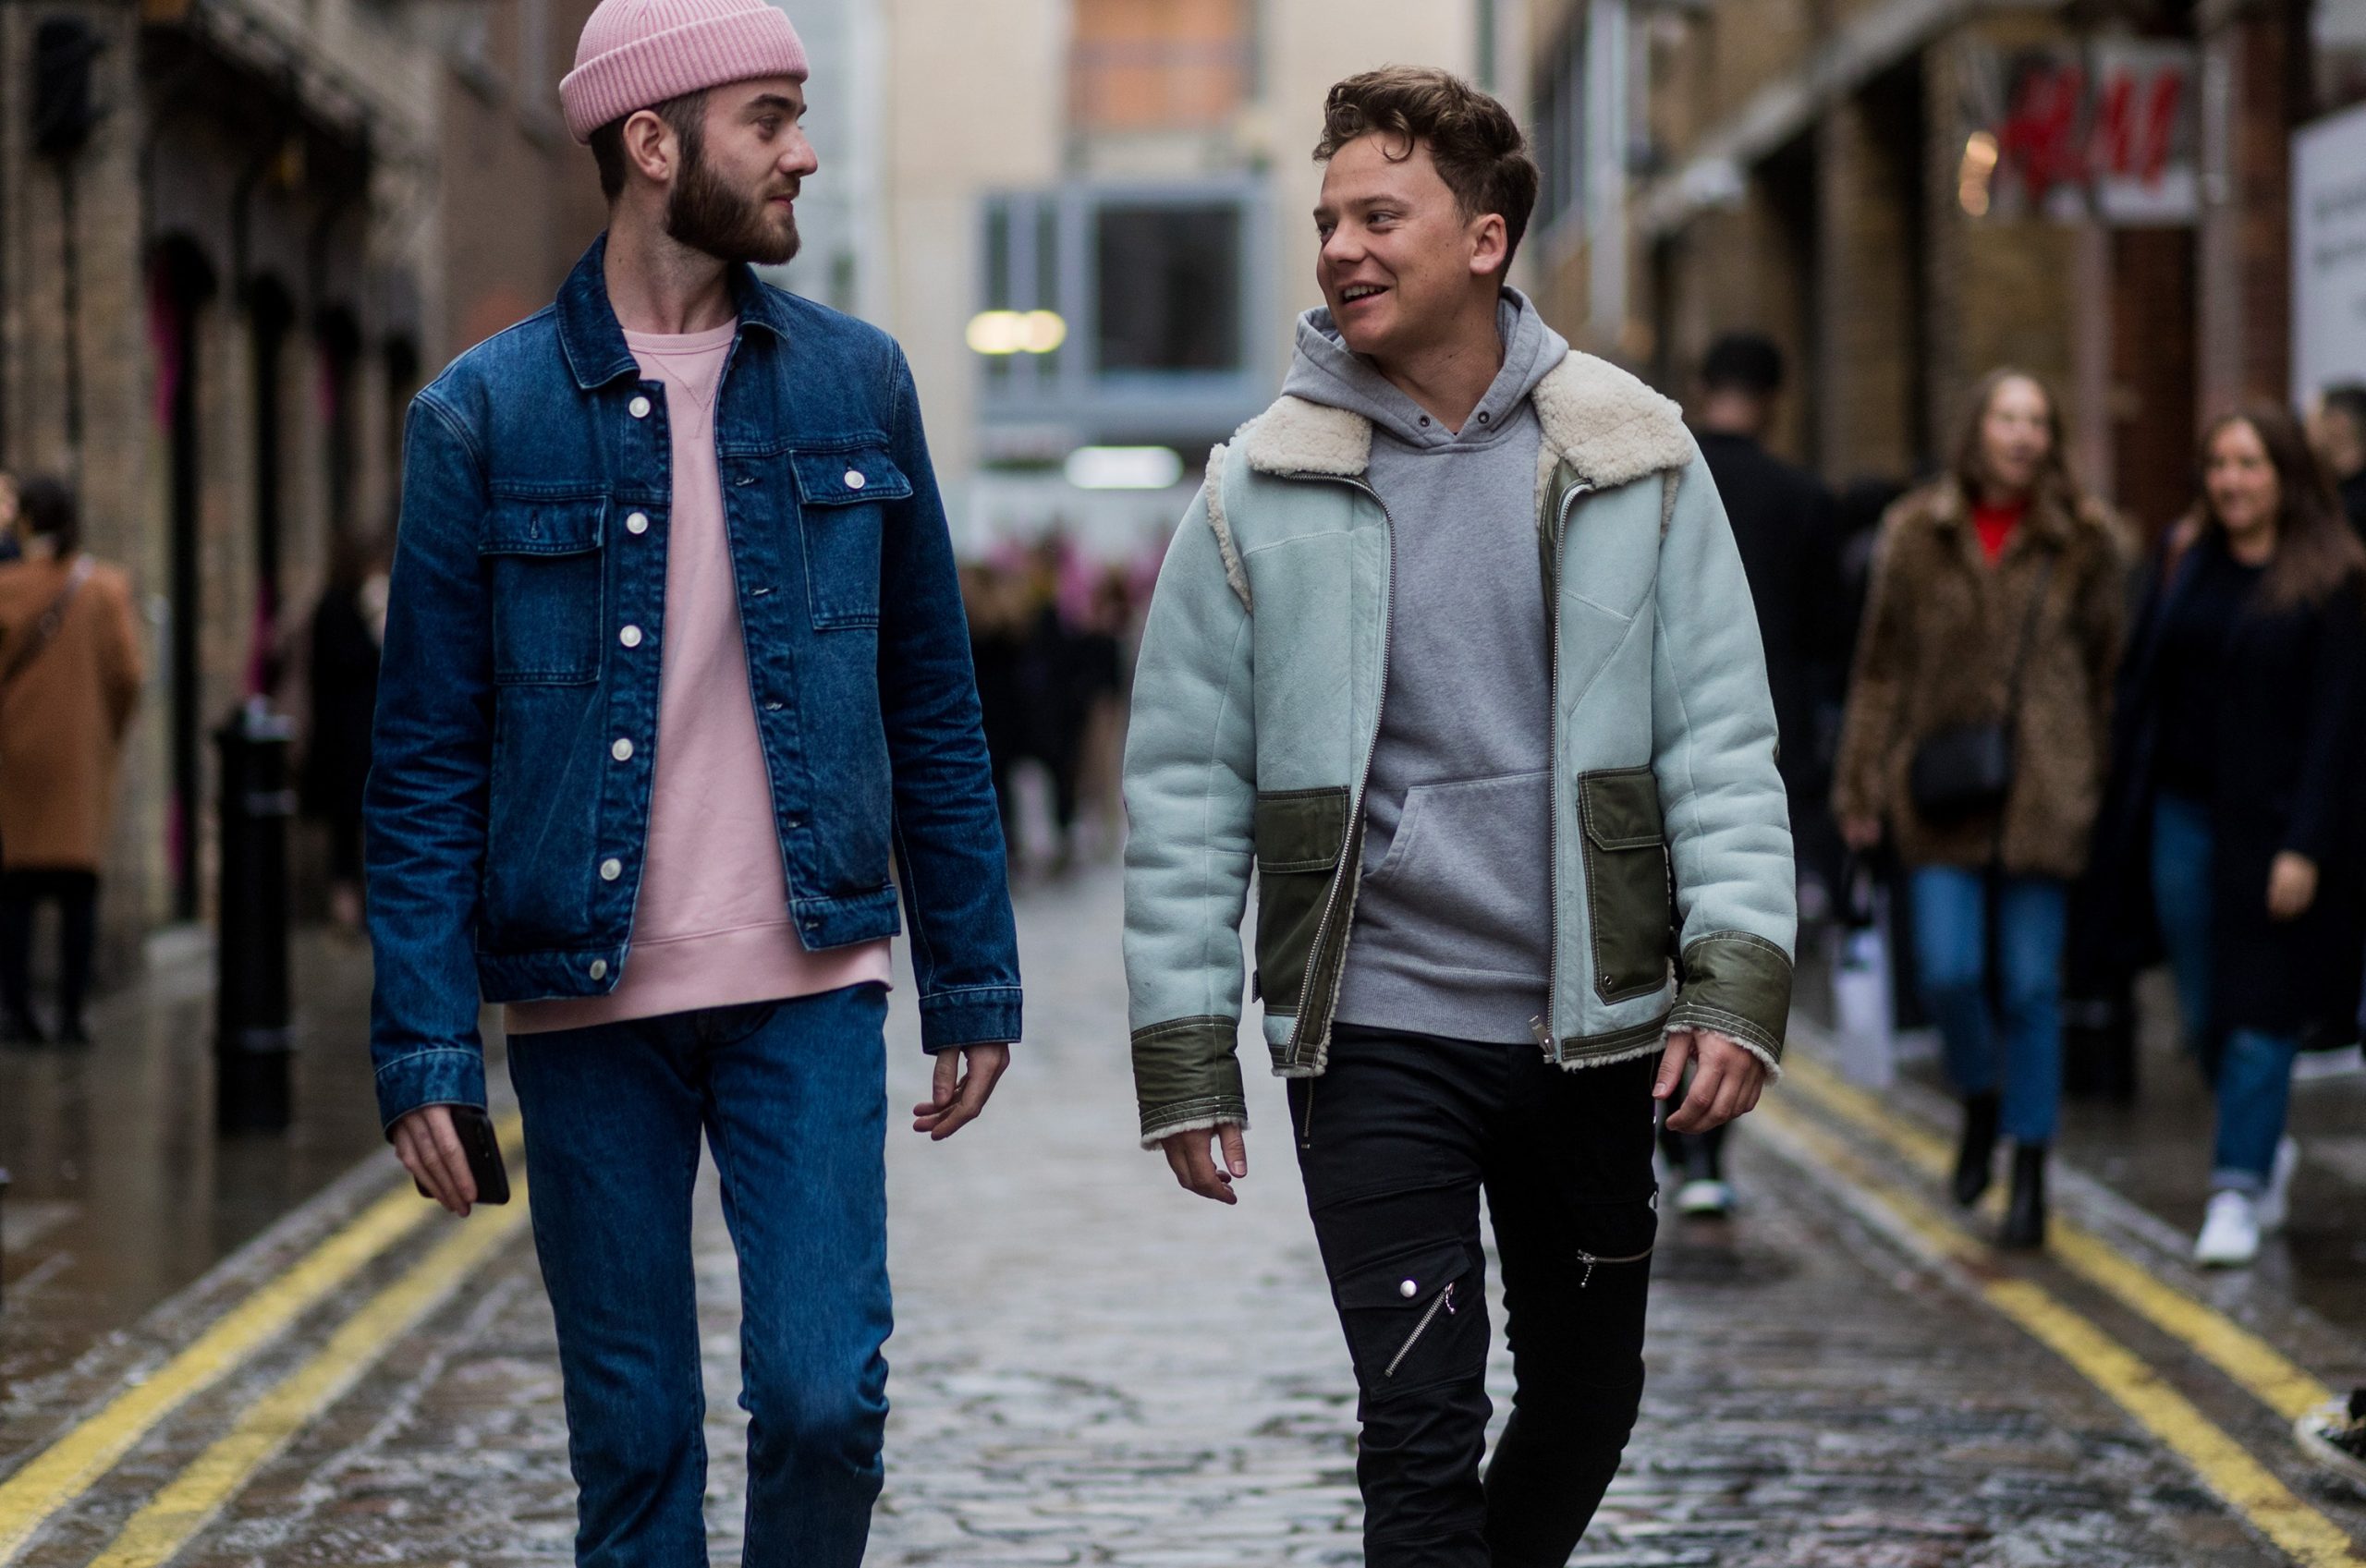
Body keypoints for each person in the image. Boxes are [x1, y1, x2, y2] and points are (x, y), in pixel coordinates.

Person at [365, 2, 1021, 1560]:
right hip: (586, 1001)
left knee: (820, 1399)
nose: (804, 152)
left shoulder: (858, 384)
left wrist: (975, 979)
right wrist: (423, 1042)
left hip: (809, 976)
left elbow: (931, 697)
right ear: (653, 147)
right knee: (637, 1442)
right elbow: (425, 761)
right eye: (770, 117)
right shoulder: (483, 414)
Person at [1123, 68, 1794, 1567]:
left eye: (1381, 215)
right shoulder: (1260, 490)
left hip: (1591, 1026)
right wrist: (1185, 1049)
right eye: (1327, 220)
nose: (1342, 248)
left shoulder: (1635, 455)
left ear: (1485, 240)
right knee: (1417, 1425)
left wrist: (1734, 980)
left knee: (1585, 1394)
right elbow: (1179, 786)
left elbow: (1723, 746)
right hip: (1374, 1032)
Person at [1833, 370, 2125, 1250]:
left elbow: (2110, 665)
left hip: (2044, 789)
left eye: (2039, 419)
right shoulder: (1916, 532)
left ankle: (2029, 1166)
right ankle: (1980, 1094)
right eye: (2008, 417)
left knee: (2034, 987)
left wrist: (2089, 768)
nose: (2023, 434)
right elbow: (1880, 666)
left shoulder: (2086, 538)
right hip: (1941, 785)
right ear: (1977, 429)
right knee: (1953, 972)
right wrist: (1860, 785)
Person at [2081, 406, 2366, 1267]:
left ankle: (2237, 1186)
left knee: (2261, 1008)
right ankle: (2262, 1130)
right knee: (2203, 1008)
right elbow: (2144, 687)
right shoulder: (2186, 561)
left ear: (2286, 474)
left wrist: (2307, 846)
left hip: (2278, 830)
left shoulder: (2336, 574)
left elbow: (2339, 726)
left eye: (2250, 463)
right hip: (2183, 814)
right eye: (2219, 464)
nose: (2232, 480)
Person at [1669, 330, 1843, 1217]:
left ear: (1701, 384)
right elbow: (1826, 648)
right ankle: (1703, 1150)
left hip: (1661, 738)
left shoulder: (1662, 478)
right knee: (1730, 931)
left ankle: (1663, 1122)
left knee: (1654, 937)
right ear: (1775, 398)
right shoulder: (1803, 500)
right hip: (1768, 752)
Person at [0, 477, 143, 1043]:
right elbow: (129, 676)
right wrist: (103, 732)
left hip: (15, 754)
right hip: (81, 756)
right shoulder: (106, 588)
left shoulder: (7, 587)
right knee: (78, 887)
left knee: (16, 889)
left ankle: (18, 1011)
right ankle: (71, 1012)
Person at [303, 526, 389, 932]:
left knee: (353, 826)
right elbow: (360, 660)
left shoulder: (332, 606)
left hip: (346, 736)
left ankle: (351, 904)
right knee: (356, 824)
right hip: (351, 737)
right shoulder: (345, 608)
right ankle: (351, 906)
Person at [2311, 383, 2366, 541]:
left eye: (2313, 419)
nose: (2306, 430)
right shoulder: (2328, 487)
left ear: (2338, 424)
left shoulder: (2345, 511)